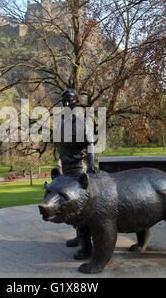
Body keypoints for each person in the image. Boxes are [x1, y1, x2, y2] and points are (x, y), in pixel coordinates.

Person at [54, 88, 98, 260]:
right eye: (63, 101)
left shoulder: (82, 120)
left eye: (70, 101)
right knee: (69, 205)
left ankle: (88, 246)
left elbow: (90, 143)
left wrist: (92, 163)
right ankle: (81, 236)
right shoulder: (62, 119)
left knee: (81, 207)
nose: (66, 104)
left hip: (79, 169)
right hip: (66, 168)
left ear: (77, 101)